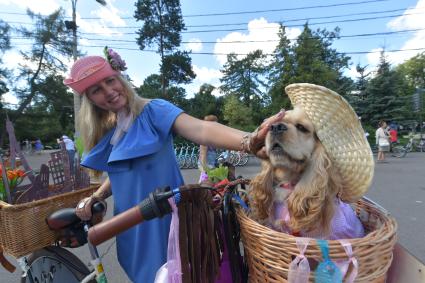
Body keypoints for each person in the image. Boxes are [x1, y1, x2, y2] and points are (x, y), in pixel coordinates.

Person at [63, 47, 281, 283]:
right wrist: (97, 196)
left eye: (110, 81)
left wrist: (249, 141)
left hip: (168, 226)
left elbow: (201, 129)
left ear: (120, 78)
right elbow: (122, 173)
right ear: (90, 100)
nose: (109, 91)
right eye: (97, 89)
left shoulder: (153, 110)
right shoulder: (112, 131)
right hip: (130, 232)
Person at [198, 115, 219, 182]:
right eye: (214, 124)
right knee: (205, 184)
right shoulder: (205, 138)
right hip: (206, 167)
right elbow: (202, 155)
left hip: (211, 166)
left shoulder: (212, 137)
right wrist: (204, 171)